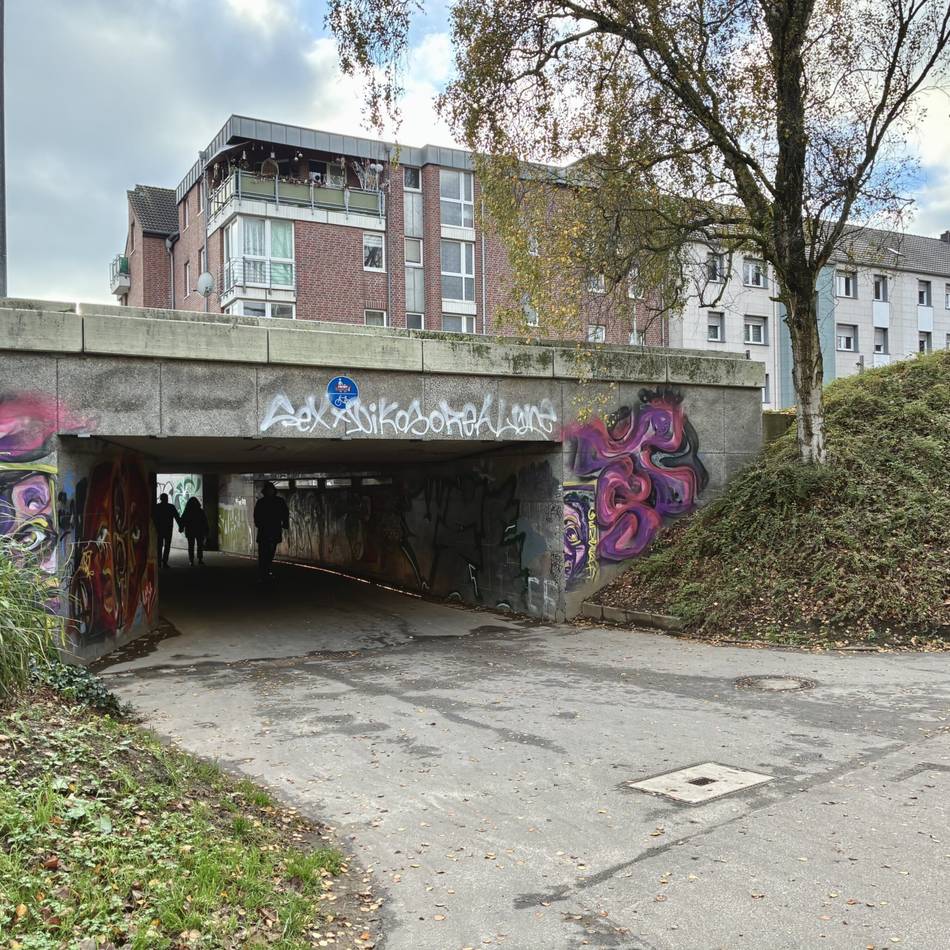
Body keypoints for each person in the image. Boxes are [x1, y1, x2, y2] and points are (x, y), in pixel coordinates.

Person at [253, 481, 289, 578]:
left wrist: (259, 524)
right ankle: (265, 568)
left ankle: (264, 568)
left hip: (266, 530)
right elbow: (285, 513)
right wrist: (285, 524)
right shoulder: (279, 501)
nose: (270, 492)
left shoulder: (261, 502)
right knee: (268, 550)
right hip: (271, 529)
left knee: (267, 550)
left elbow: (256, 515)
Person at [152, 492, 181, 568]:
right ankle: (164, 562)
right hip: (168, 529)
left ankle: (159, 563)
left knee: (159, 546)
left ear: (161, 499)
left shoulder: (157, 507)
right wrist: (181, 526)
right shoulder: (171, 507)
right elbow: (177, 517)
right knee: (167, 546)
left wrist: (155, 527)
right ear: (167, 499)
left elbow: (153, 518)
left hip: (159, 529)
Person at [179, 496, 209, 566]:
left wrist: (181, 528)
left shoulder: (187, 511)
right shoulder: (200, 511)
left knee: (191, 546)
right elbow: (205, 521)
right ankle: (200, 559)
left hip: (190, 531)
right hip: (199, 530)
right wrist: (206, 530)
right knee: (200, 545)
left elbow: (183, 520)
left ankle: (191, 560)